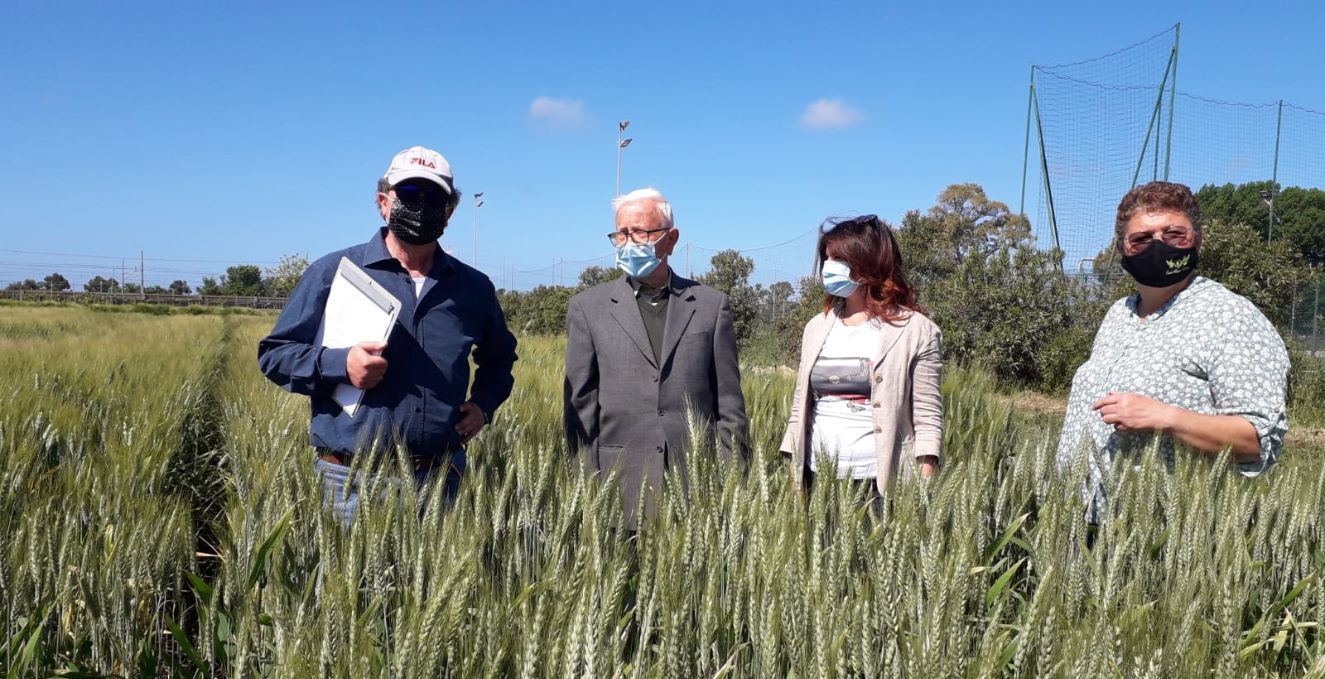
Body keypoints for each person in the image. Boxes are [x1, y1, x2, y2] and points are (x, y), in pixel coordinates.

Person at [258, 145, 518, 525]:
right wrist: (339, 364)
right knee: (343, 586)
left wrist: (483, 406)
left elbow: (500, 358)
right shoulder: (334, 272)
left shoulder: (472, 287)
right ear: (383, 202)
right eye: (410, 194)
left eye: (435, 197)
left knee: (428, 586)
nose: (422, 205)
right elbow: (275, 354)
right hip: (348, 481)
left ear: (450, 211)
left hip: (439, 479)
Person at [1055, 181, 1289, 521]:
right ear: (1123, 248)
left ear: (1197, 239)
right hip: (1079, 521)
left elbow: (1259, 442)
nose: (1159, 246)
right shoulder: (1119, 313)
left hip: (1163, 537)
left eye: (1174, 234)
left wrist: (1167, 418)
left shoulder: (1229, 316)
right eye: (1142, 239)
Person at [563, 188, 748, 527]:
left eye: (641, 232)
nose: (628, 241)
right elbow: (580, 409)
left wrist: (732, 484)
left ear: (671, 239)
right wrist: (586, 492)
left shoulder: (711, 305)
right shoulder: (588, 308)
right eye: (621, 233)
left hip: (696, 489)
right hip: (618, 490)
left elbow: (729, 405)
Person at [780, 215, 943, 501]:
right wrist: (793, 475)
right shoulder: (817, 326)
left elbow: (928, 417)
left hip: (880, 485)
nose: (828, 267)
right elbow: (800, 406)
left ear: (866, 263)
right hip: (817, 478)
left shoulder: (917, 330)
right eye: (827, 258)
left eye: (838, 259)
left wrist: (922, 492)